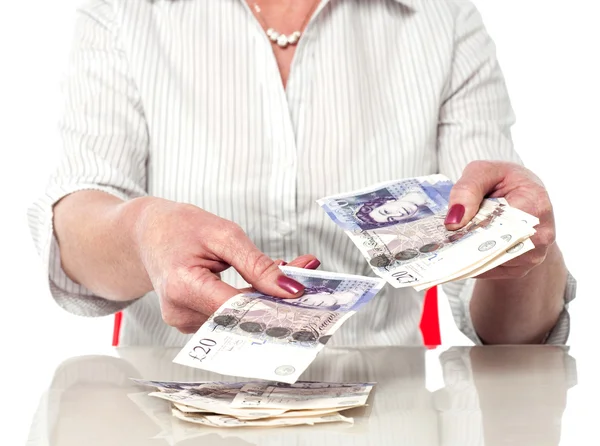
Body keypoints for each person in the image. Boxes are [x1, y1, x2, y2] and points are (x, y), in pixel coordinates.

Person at [28, 0, 576, 347]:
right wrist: (143, 232)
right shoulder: (124, 12)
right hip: (171, 418)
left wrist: (524, 246)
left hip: (386, 418)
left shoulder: (445, 19)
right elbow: (76, 234)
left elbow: (510, 336)